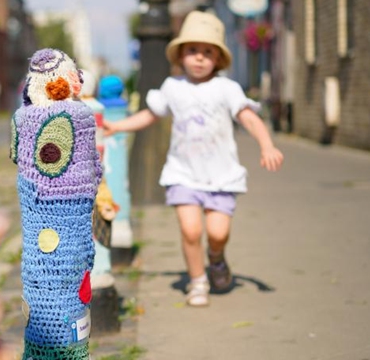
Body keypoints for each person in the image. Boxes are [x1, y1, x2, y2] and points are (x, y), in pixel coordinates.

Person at [103, 11, 284, 307]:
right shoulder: (173, 87)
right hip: (183, 173)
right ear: (180, 54)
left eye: (207, 52)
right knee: (190, 230)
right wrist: (118, 126)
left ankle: (215, 257)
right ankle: (198, 282)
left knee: (217, 233)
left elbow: (249, 118)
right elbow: (150, 114)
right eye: (192, 51)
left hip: (221, 176)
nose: (199, 58)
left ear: (218, 58)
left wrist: (267, 145)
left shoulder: (227, 88)